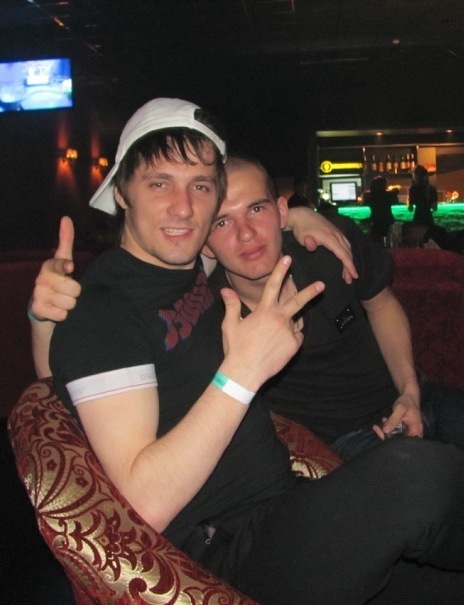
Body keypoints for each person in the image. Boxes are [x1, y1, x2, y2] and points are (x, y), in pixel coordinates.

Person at [28, 98, 464, 604]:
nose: (183, 207)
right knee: (417, 474)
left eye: (200, 186)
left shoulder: (189, 269)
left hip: (289, 509)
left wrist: (296, 214)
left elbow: (247, 234)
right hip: (227, 554)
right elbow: (143, 506)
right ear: (122, 192)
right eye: (159, 183)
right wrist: (240, 374)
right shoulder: (105, 309)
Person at [202, 155, 464, 461]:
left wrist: (409, 392)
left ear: (282, 212)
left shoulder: (330, 247)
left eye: (257, 209)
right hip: (347, 441)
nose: (246, 232)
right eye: (222, 222)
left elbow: (381, 305)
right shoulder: (210, 315)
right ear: (205, 244)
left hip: (416, 395)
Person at [363, 175, 397, 241]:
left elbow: (365, 203)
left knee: (375, 239)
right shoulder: (389, 195)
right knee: (389, 238)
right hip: (388, 220)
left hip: (376, 221)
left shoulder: (371, 196)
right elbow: (396, 201)